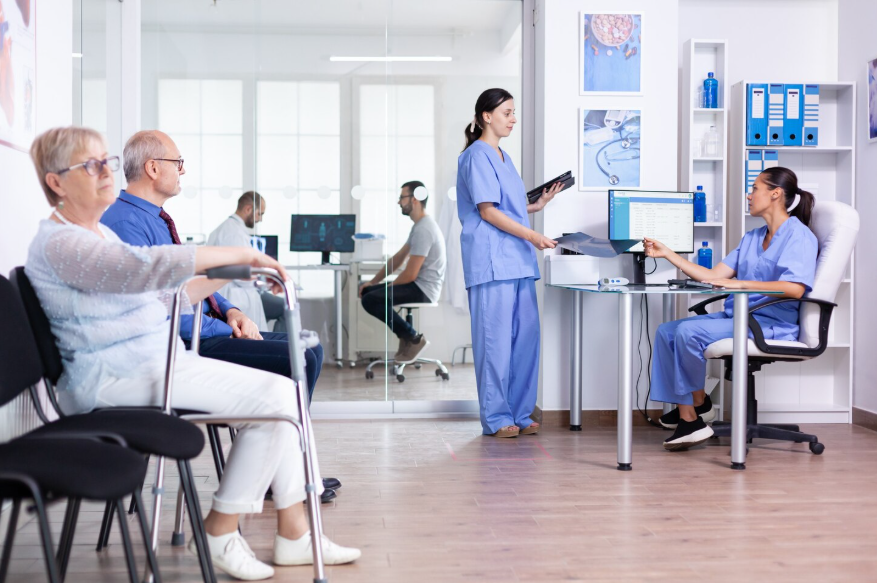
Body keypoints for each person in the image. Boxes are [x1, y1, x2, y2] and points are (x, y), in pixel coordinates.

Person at [24, 126, 360, 581]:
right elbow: (143, 268)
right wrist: (234, 254)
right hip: (113, 376)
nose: (107, 172)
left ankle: (294, 533)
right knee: (278, 399)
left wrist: (234, 268)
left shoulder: (98, 233)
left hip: (152, 363)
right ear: (56, 183)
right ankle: (223, 532)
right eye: (92, 165)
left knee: (284, 392)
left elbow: (165, 296)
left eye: (107, 161)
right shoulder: (62, 243)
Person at [101, 130, 337, 502]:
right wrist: (218, 322)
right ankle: (284, 476)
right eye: (177, 163)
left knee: (311, 349)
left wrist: (232, 310)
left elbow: (189, 280)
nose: (182, 171)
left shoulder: (157, 219)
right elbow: (158, 308)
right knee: (300, 357)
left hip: (205, 330)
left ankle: (286, 468)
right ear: (152, 168)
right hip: (183, 345)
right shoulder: (126, 225)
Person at [644, 167, 817, 451]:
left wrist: (740, 285)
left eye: (755, 189)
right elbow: (714, 275)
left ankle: (690, 418)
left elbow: (795, 288)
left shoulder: (799, 236)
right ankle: (698, 404)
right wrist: (669, 254)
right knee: (667, 331)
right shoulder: (752, 237)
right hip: (738, 316)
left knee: (688, 331)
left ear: (775, 194)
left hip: (768, 322)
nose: (749, 196)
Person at [456, 88, 563, 438]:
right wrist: (533, 236)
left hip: (517, 260)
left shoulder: (504, 156)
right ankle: (498, 417)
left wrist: (536, 206)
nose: (513, 118)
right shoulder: (476, 156)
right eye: (507, 112)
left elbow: (506, 206)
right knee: (495, 342)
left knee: (525, 339)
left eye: (514, 112)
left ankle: (519, 411)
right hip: (492, 261)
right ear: (487, 116)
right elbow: (487, 211)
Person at [358, 180, 446, 363]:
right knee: (367, 291)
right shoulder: (419, 226)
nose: (399, 202)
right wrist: (373, 283)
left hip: (424, 290)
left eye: (402, 197)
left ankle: (412, 338)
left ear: (414, 199)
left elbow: (410, 275)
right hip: (417, 286)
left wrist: (386, 286)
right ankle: (407, 337)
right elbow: (398, 259)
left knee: (370, 299)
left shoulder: (424, 229)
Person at [208, 191, 287, 333]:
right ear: (248, 209)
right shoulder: (233, 234)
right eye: (260, 214)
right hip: (234, 294)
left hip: (235, 291)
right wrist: (262, 280)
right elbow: (241, 274)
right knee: (285, 307)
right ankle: (284, 350)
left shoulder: (229, 229)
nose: (260, 219)